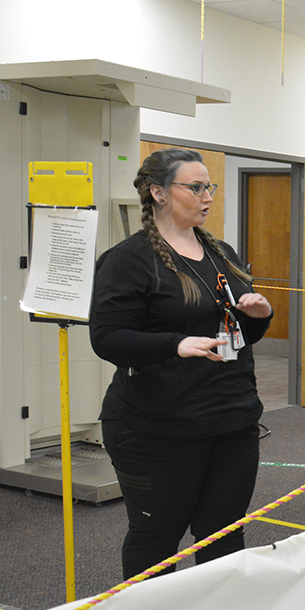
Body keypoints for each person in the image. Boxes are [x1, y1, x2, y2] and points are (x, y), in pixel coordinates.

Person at [90, 148, 273, 579]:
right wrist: (174, 345)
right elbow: (107, 337)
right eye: (195, 187)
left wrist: (260, 317)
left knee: (223, 534)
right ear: (158, 193)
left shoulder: (220, 252)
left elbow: (236, 337)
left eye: (209, 186)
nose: (207, 195)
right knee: (158, 537)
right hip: (158, 427)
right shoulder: (128, 260)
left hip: (230, 421)